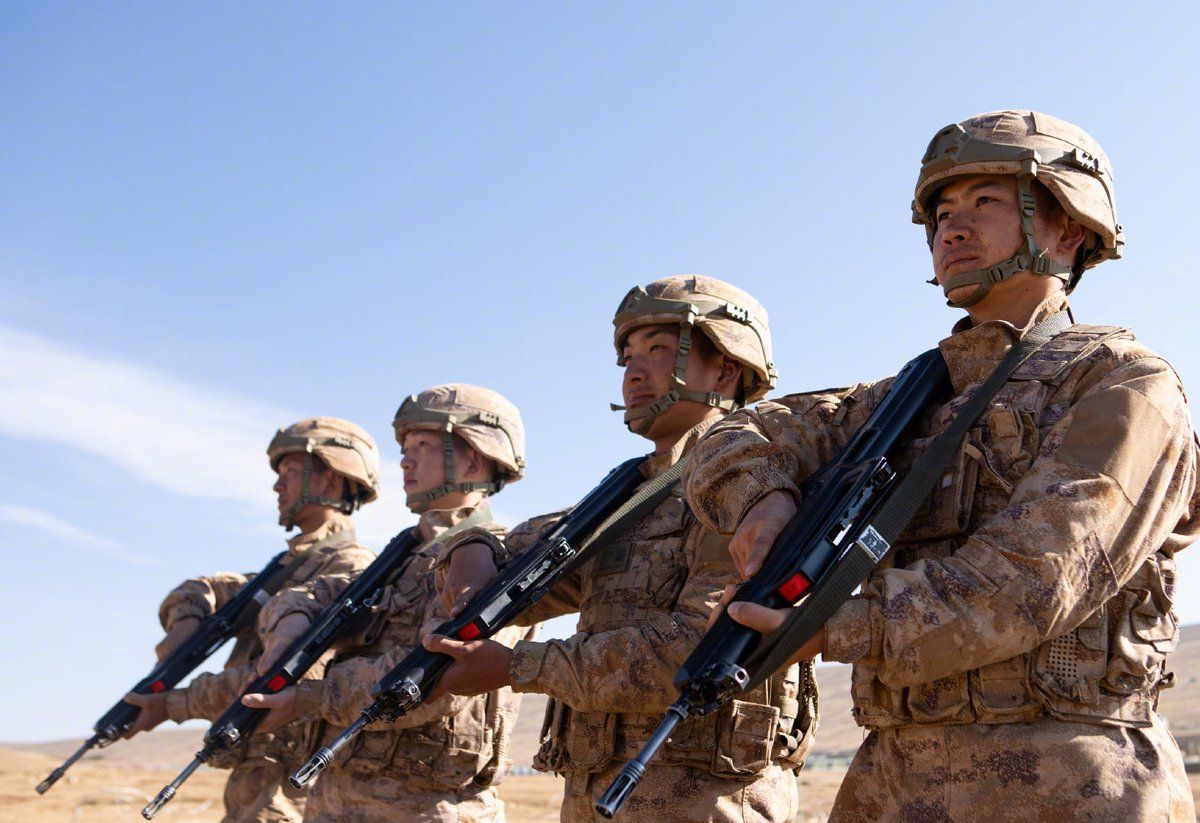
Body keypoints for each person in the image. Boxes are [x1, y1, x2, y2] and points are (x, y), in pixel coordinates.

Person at [685, 111, 1199, 820]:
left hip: (1069, 778)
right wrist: (763, 498)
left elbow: (1039, 575)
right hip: (892, 778)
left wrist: (834, 623)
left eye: (985, 201)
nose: (951, 229)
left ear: (1069, 229)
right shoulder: (900, 400)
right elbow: (733, 435)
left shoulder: (1123, 383)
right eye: (942, 213)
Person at [426, 276, 817, 823]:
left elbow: (699, 646)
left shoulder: (750, 484)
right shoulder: (627, 495)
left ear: (725, 369)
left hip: (706, 802)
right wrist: (470, 548)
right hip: (596, 795)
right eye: (628, 356)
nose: (634, 372)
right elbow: (517, 560)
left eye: (658, 349)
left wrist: (517, 665)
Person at [244, 384, 530, 822]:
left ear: (474, 458)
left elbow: (438, 675)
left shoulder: (496, 557)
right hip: (335, 800)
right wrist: (290, 620)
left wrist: (308, 699)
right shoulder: (401, 558)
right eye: (404, 449)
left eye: (422, 446)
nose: (405, 461)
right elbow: (318, 593)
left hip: (431, 808)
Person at [126, 418, 381, 822]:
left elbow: (285, 676)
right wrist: (184, 622)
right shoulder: (288, 568)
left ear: (331, 480)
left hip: (289, 786)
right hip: (259, 775)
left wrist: (173, 703)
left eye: (290, 472)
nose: (277, 486)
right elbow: (201, 589)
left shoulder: (350, 567)